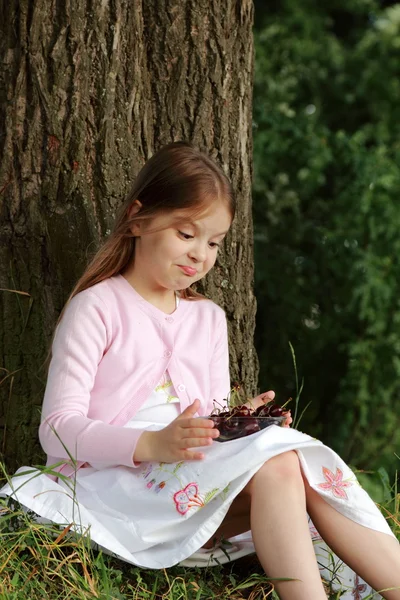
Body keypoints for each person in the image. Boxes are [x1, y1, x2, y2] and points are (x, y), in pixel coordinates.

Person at [1, 141, 400, 600]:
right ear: (138, 218)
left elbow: (207, 421)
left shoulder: (208, 318)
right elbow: (56, 431)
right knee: (282, 462)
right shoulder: (97, 307)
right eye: (186, 234)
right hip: (116, 486)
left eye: (213, 243)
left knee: (282, 463)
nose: (200, 255)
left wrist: (237, 423)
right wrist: (151, 443)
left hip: (193, 493)